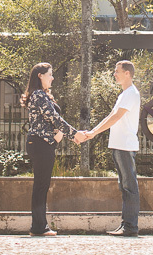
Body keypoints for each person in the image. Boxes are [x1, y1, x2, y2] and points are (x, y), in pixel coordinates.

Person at [21, 62, 86, 237]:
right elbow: (54, 118)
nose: (52, 77)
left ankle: (39, 226)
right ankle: (38, 227)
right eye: (50, 74)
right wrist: (75, 134)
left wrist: (68, 136)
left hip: (43, 144)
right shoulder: (38, 95)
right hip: (40, 144)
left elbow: (54, 122)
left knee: (42, 185)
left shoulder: (42, 95)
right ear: (40, 76)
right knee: (41, 186)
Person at [79, 60, 140, 237]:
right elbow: (111, 116)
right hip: (118, 145)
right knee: (124, 186)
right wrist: (93, 132)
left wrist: (94, 132)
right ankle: (126, 225)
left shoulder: (131, 93)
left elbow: (116, 117)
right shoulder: (124, 95)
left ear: (127, 73)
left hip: (125, 146)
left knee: (129, 186)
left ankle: (130, 227)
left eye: (117, 71)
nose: (114, 74)